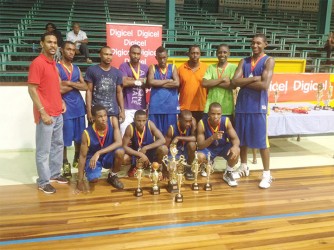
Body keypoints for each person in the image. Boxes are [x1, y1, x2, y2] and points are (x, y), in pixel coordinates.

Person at [231, 33, 275, 189]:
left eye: (258, 43)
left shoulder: (269, 61)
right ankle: (243, 167)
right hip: (242, 105)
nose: (255, 45)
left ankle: (267, 174)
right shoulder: (244, 61)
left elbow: (264, 85)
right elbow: (234, 81)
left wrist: (243, 82)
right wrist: (253, 79)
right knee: (242, 140)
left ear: (265, 45)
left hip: (258, 107)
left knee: (262, 143)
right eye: (253, 43)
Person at [28, 32, 68, 194]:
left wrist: (62, 101)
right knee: (43, 150)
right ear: (41, 43)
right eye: (49, 42)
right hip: (46, 115)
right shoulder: (37, 63)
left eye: (55, 42)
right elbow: (32, 89)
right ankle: (43, 181)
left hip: (58, 112)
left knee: (58, 145)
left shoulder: (53, 63)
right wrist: (42, 112)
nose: (53, 45)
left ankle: (54, 173)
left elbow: (55, 86)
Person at [56, 41, 87, 178]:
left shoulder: (77, 68)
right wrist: (76, 85)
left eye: (73, 50)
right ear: (62, 50)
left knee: (80, 137)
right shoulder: (56, 67)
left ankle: (76, 157)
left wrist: (68, 83)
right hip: (65, 107)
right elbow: (58, 89)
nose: (71, 52)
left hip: (79, 106)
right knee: (64, 138)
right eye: (68, 49)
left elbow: (85, 86)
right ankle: (65, 162)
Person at [76, 105, 125, 192]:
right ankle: (92, 173)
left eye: (105, 115)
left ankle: (113, 175)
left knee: (121, 152)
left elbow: (119, 142)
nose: (104, 119)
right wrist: (79, 181)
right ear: (94, 118)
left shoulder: (113, 120)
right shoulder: (86, 133)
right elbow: (82, 157)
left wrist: (98, 153)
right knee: (93, 179)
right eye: (100, 116)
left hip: (108, 155)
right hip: (94, 159)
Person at [197, 102, 240, 187]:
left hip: (223, 147)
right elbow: (200, 145)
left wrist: (235, 147)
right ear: (208, 113)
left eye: (218, 114)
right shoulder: (201, 123)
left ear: (221, 114)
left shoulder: (226, 121)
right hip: (208, 148)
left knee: (237, 150)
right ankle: (209, 163)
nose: (216, 116)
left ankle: (228, 172)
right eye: (213, 114)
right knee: (199, 156)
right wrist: (212, 138)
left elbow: (236, 139)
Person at [85, 46, 125, 124]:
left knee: (114, 135)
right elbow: (89, 91)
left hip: (113, 112)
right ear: (100, 55)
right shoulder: (91, 70)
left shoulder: (117, 72)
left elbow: (119, 93)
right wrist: (89, 111)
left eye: (110, 55)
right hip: (96, 113)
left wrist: (122, 111)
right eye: (106, 54)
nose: (108, 57)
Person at [122, 110, 168, 177]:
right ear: (134, 120)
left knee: (164, 149)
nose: (141, 123)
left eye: (143, 121)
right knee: (124, 158)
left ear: (146, 119)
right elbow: (124, 146)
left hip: (150, 152)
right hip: (137, 153)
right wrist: (140, 154)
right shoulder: (130, 128)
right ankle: (135, 166)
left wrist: (146, 147)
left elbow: (163, 140)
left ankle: (156, 168)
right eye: (139, 121)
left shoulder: (150, 124)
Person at [147, 46, 180, 136]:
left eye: (164, 58)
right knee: (154, 133)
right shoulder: (152, 68)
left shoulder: (173, 67)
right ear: (156, 58)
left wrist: (158, 83)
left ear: (167, 57)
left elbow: (177, 83)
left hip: (170, 107)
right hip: (156, 107)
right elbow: (151, 82)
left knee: (170, 133)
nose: (162, 60)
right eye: (160, 58)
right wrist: (168, 80)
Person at [119, 45, 149, 135]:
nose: (136, 56)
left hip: (141, 107)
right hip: (127, 108)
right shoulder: (124, 66)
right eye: (134, 53)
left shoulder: (145, 67)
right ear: (129, 54)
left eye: (138, 54)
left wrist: (131, 80)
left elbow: (148, 83)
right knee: (124, 133)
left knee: (140, 135)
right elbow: (123, 82)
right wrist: (139, 81)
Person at [202, 44, 237, 119]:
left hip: (226, 108)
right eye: (220, 52)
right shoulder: (211, 67)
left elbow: (232, 85)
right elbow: (204, 83)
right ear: (217, 54)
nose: (222, 54)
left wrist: (212, 83)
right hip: (210, 107)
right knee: (208, 130)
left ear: (229, 54)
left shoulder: (233, 67)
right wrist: (222, 79)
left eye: (225, 52)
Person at [178, 45, 208, 123]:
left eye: (197, 53)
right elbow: (177, 89)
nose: (195, 56)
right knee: (185, 133)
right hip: (185, 108)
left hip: (201, 107)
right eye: (193, 53)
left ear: (200, 54)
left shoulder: (206, 68)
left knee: (200, 132)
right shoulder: (181, 68)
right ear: (188, 54)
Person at [165, 110, 197, 180]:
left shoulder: (191, 125)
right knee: (174, 172)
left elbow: (195, 138)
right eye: (186, 121)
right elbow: (165, 147)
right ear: (179, 119)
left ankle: (188, 168)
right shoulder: (172, 129)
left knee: (192, 145)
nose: (188, 123)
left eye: (190, 121)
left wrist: (178, 138)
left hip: (185, 152)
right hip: (174, 154)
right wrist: (165, 166)